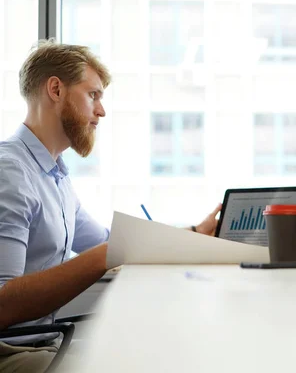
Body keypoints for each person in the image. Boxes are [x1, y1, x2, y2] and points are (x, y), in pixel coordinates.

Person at [0, 40, 220, 372]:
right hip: (11, 353)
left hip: (45, 342)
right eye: (93, 95)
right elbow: (3, 303)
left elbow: (108, 238)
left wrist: (193, 233)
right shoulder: (11, 172)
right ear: (56, 89)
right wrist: (108, 254)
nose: (101, 111)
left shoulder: (54, 176)